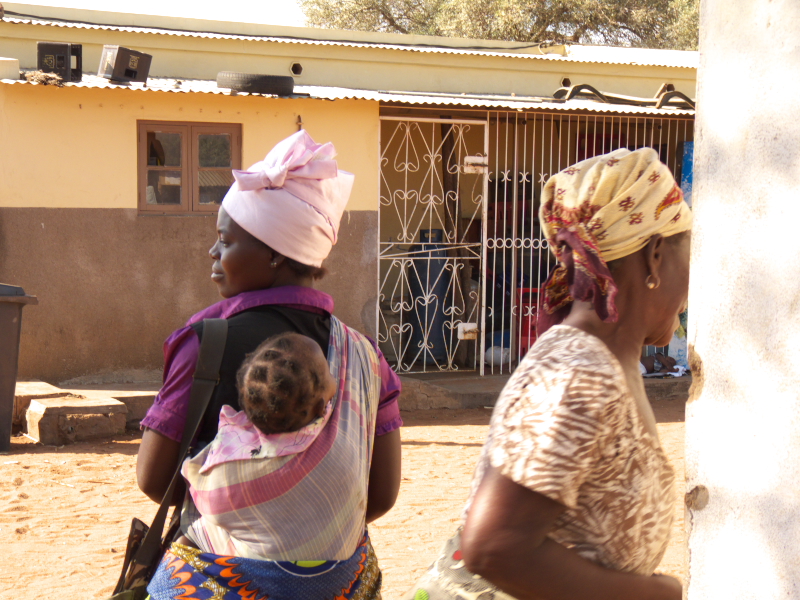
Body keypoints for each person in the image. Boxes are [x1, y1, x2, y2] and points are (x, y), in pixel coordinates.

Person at [405, 147, 692, 600]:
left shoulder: (605, 364)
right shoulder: (579, 374)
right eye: (687, 257)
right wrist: (654, 594)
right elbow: (495, 548)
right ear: (655, 255)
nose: (690, 283)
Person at [137, 130, 402, 599]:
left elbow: (154, 479)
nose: (213, 253)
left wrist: (244, 508)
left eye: (225, 241)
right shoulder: (365, 356)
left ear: (276, 252)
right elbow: (379, 496)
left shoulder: (204, 344)